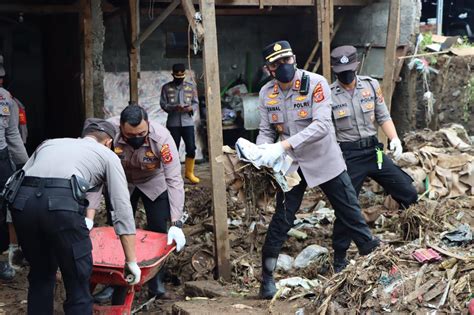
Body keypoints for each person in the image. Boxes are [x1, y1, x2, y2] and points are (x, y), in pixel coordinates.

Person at [254, 40, 380, 298]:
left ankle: (376, 267)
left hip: (325, 160)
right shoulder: (267, 93)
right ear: (269, 69)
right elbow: (266, 132)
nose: (283, 66)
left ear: (295, 59)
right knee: (282, 219)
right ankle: (267, 278)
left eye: (286, 60)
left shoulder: (316, 84)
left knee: (350, 213)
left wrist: (283, 145)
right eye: (276, 64)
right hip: (291, 166)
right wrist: (261, 152)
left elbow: (322, 125)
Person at [8, 118, 140, 314]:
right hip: (61, 207)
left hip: (24, 206)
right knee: (78, 283)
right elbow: (122, 208)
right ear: (108, 142)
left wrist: (14, 243)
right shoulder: (107, 155)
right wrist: (131, 261)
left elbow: (15, 186)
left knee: (40, 276)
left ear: (84, 136)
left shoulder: (49, 144)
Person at [92, 105, 186, 302]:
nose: (136, 138)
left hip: (153, 182)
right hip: (121, 183)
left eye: (141, 133)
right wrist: (89, 214)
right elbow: (97, 174)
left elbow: (174, 179)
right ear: (120, 127)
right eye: (130, 135)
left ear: (148, 124)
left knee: (159, 231)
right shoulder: (108, 133)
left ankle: (156, 283)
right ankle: (113, 282)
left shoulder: (162, 138)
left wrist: (176, 221)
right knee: (117, 232)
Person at [329, 45, 418, 208]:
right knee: (346, 205)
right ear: (334, 70)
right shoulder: (328, 95)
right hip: (349, 155)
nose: (346, 75)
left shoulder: (371, 86)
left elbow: (383, 116)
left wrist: (395, 139)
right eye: (342, 71)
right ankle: (347, 233)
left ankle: (406, 226)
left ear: (356, 66)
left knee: (408, 192)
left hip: (374, 152)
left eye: (349, 69)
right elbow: (326, 131)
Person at [0, 54, 29, 281]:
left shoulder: (6, 100)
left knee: (7, 204)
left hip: (2, 160)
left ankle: (6, 258)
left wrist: (27, 165)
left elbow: (12, 136)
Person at [160, 63, 200, 184]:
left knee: (191, 148)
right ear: (173, 75)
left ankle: (189, 173)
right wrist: (173, 107)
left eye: (181, 77)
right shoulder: (166, 88)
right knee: (173, 150)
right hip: (173, 123)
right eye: (177, 77)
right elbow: (163, 104)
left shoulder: (191, 87)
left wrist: (190, 108)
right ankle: (174, 174)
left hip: (187, 122)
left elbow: (195, 102)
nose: (179, 79)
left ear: (184, 75)